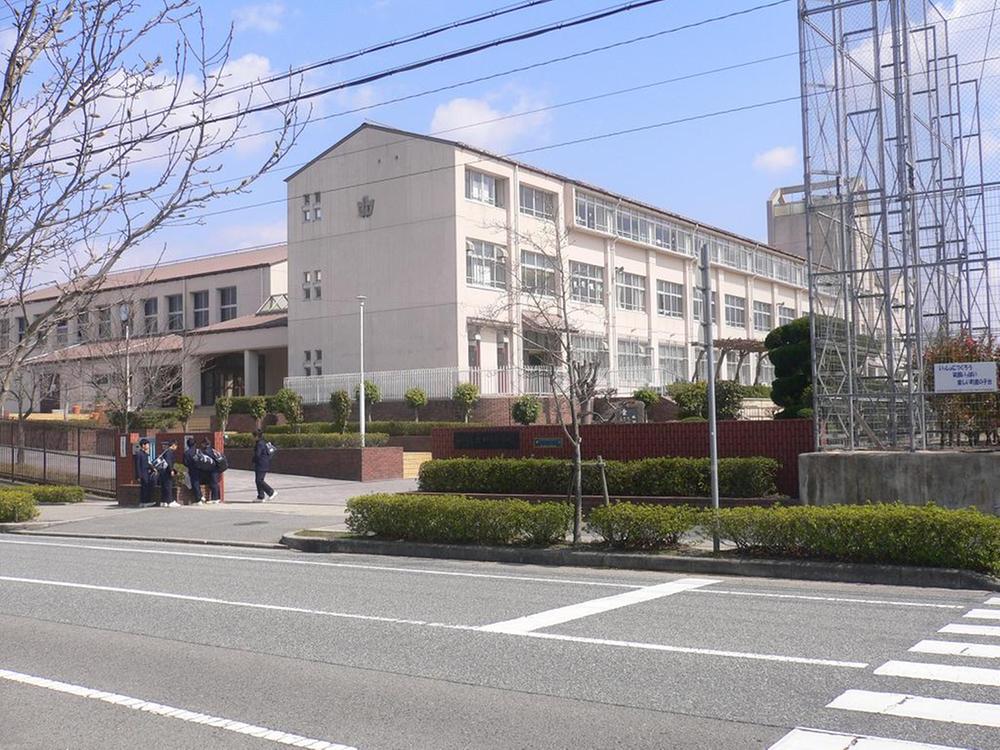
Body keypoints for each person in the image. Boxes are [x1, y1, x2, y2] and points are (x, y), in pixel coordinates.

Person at [250, 429, 277, 503]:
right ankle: (260, 496)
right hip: (264, 463)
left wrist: (253, 460)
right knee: (258, 480)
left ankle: (271, 492)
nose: (252, 438)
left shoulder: (259, 444)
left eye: (253, 436)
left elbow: (257, 454)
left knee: (259, 480)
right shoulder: (263, 442)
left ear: (256, 436)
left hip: (261, 464)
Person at [156, 440, 180, 508]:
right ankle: (170, 501)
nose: (176, 447)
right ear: (173, 445)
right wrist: (171, 470)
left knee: (164, 487)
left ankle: (164, 501)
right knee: (168, 486)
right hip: (167, 472)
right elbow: (169, 462)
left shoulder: (165, 451)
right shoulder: (169, 452)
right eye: (176, 446)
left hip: (163, 472)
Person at [200, 437, 222, 504]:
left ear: (205, 444)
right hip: (217, 469)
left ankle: (214, 498)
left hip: (212, 469)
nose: (201, 445)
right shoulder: (213, 450)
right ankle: (218, 498)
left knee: (213, 483)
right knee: (216, 483)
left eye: (202, 444)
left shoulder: (206, 451)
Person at [183, 437, 204, 504]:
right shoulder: (198, 451)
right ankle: (201, 496)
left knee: (195, 484)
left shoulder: (186, 453)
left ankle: (198, 499)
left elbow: (185, 463)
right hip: (200, 469)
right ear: (195, 444)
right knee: (198, 483)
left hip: (192, 470)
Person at [135, 438, 156, 506]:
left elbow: (147, 464)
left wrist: (153, 469)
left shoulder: (145, 454)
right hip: (142, 474)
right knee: (145, 488)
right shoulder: (139, 454)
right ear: (143, 445)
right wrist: (138, 476)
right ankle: (145, 502)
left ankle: (143, 502)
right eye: (147, 445)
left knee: (146, 487)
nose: (148, 446)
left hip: (147, 473)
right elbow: (137, 465)